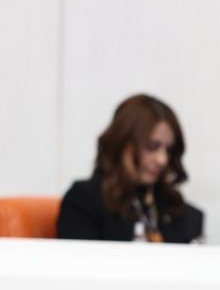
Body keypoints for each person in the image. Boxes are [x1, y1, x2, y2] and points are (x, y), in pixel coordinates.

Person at [56, 94, 204, 242]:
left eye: (169, 150)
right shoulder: (85, 202)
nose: (162, 160)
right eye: (152, 146)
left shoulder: (182, 214)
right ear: (122, 143)